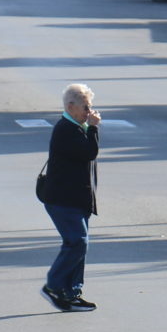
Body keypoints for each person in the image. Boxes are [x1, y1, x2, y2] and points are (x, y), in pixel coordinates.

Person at [39, 82, 100, 312]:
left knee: (78, 245)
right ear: (71, 106)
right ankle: (54, 285)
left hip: (76, 199)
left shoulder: (76, 127)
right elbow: (89, 153)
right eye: (86, 107)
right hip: (62, 200)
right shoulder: (66, 128)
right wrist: (94, 128)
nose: (89, 112)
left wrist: (89, 128)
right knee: (77, 242)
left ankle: (72, 291)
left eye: (90, 107)